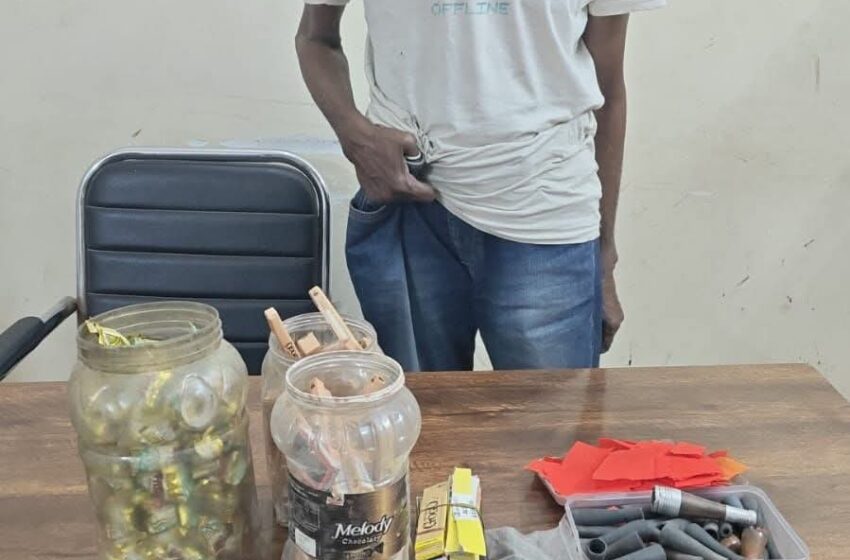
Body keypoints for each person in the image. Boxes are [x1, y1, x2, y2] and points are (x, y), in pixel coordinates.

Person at [296, 0, 665, 371]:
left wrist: (603, 255)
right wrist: (355, 137)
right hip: (407, 204)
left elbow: (608, 90)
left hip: (545, 210)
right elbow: (315, 37)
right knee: (423, 406)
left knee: (550, 410)